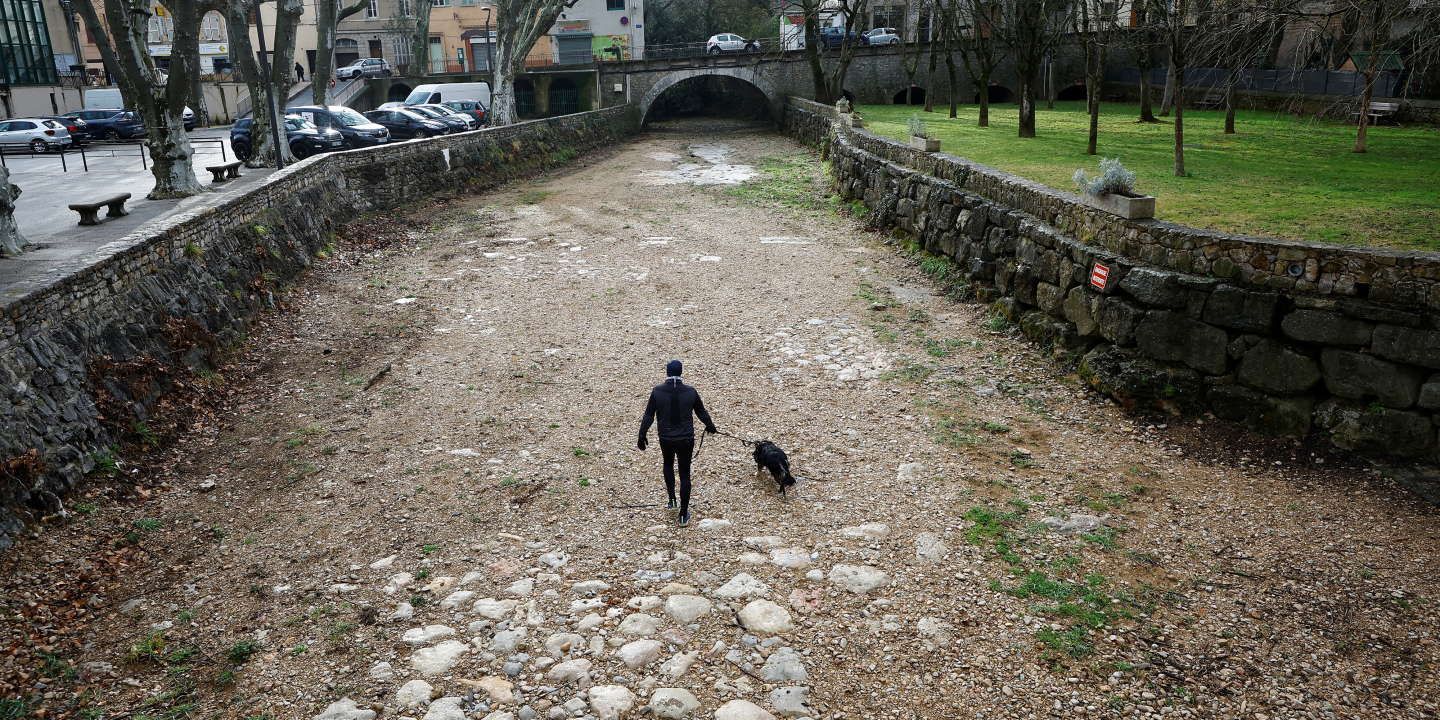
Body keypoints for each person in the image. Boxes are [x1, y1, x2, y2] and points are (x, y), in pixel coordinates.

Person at [637, 359, 717, 527]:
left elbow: (649, 415)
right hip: (686, 438)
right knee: (685, 473)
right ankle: (683, 515)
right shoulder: (690, 391)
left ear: (667, 372)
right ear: (681, 372)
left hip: (665, 437)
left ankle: (672, 499)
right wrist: (711, 426)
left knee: (667, 464)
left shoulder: (657, 391)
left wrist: (641, 435)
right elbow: (701, 412)